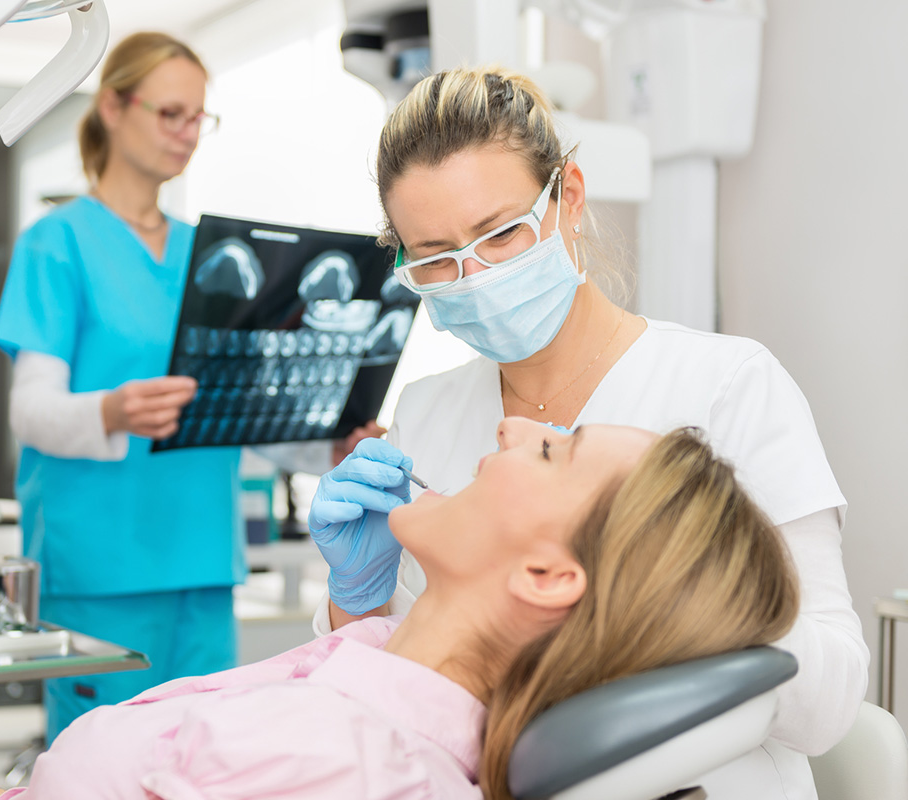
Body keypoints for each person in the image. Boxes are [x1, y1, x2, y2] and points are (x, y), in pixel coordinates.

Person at [305, 66, 867, 799]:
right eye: (436, 258)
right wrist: (357, 599)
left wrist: (655, 584)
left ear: (568, 197)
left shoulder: (729, 384)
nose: (474, 276)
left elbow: (829, 701)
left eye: (500, 234)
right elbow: (394, 694)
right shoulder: (427, 411)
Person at [0, 420, 797, 800]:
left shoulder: (350, 766)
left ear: (548, 577)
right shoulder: (379, 671)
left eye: (553, 451)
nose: (508, 433)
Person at [0, 31, 383, 744]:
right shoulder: (58, 242)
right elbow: (30, 411)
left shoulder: (211, 254)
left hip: (201, 556)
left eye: (199, 116)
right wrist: (110, 410)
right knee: (98, 764)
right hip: (100, 565)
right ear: (113, 107)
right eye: (171, 113)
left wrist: (328, 447)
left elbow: (237, 408)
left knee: (200, 760)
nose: (187, 133)